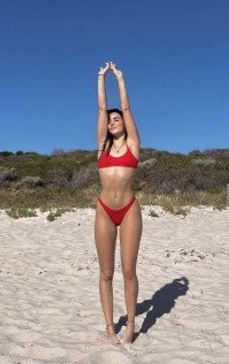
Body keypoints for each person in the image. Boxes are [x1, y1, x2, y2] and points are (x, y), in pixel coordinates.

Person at [95, 61, 142, 345]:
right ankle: (110, 327)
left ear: (124, 123)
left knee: (128, 271)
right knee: (106, 272)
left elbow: (126, 107)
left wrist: (120, 79)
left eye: (117, 119)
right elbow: (102, 108)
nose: (112, 121)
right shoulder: (101, 148)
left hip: (128, 210)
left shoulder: (133, 145)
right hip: (104, 210)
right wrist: (102, 77)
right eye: (110, 120)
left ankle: (131, 324)